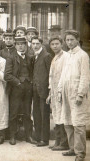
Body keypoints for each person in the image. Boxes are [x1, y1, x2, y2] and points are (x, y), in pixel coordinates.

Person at [57, 30, 90, 161]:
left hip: (76, 93)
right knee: (68, 122)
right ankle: (72, 148)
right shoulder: (67, 55)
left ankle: (80, 153)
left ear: (77, 39)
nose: (69, 42)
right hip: (66, 93)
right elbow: (63, 76)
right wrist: (60, 91)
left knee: (78, 124)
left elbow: (85, 77)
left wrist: (80, 94)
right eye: (67, 40)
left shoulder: (83, 55)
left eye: (71, 39)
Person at [4, 36, 36, 145]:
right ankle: (12, 136)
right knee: (14, 113)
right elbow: (7, 75)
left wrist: (30, 81)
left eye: (23, 44)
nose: (21, 46)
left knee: (27, 113)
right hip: (16, 89)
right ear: (15, 45)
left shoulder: (30, 57)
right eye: (18, 44)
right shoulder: (11, 58)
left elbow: (33, 72)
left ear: (26, 45)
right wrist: (18, 82)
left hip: (28, 88)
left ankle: (29, 136)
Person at [46, 36, 69, 151]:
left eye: (57, 44)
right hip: (54, 91)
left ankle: (64, 143)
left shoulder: (66, 57)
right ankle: (58, 141)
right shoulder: (54, 58)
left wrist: (60, 90)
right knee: (56, 115)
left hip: (62, 90)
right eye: (52, 44)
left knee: (63, 115)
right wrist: (50, 92)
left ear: (61, 44)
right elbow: (51, 76)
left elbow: (65, 75)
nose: (55, 46)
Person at [31, 36, 52, 147]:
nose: (35, 46)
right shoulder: (34, 56)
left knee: (44, 115)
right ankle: (38, 137)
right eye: (33, 43)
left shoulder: (46, 56)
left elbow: (50, 74)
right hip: (35, 90)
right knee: (36, 114)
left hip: (43, 90)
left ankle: (45, 139)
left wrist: (49, 91)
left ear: (41, 44)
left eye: (37, 43)